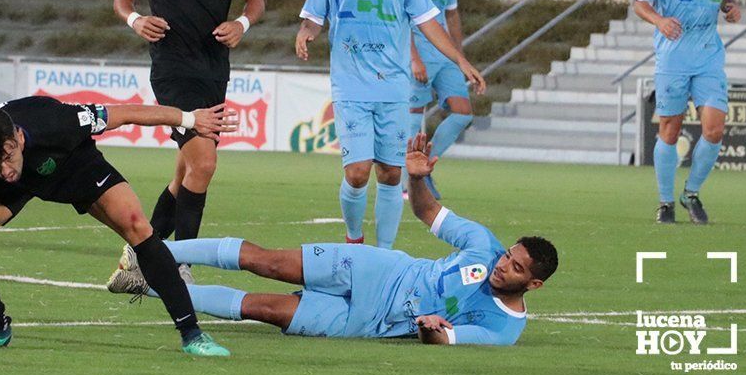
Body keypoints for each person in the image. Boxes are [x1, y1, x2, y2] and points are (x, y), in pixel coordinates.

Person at [107, 133, 558, 345]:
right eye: (509, 256)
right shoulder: (484, 246)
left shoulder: (503, 329)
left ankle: (144, 283)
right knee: (266, 261)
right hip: (379, 269)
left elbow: (446, 341)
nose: (503, 265)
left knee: (260, 308)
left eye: (516, 268)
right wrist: (417, 179)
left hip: (369, 322)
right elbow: (425, 211)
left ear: (534, 285)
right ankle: (149, 249)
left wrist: (431, 330)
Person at [0, 96, 237, 356]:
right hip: (17, 189)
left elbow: (126, 113)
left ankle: (191, 333)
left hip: (73, 167)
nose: (3, 168)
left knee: (137, 226)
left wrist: (190, 119)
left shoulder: (57, 121)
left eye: (6, 156)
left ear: (17, 136)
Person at [294, 0, 485, 249]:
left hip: (394, 90)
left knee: (391, 173)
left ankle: (383, 255)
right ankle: (354, 239)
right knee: (357, 172)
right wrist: (306, 33)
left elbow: (430, 24)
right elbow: (313, 20)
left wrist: (461, 60)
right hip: (351, 88)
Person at [113, 0, 265, 278]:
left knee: (185, 171)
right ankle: (181, 263)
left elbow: (256, 0)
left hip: (215, 69)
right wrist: (135, 19)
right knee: (204, 164)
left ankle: (141, 256)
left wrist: (241, 24)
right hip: (172, 70)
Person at [633, 0, 741, 225]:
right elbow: (640, 2)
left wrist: (730, 7)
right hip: (674, 56)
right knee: (670, 129)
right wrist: (659, 20)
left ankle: (690, 193)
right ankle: (665, 202)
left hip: (708, 54)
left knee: (714, 128)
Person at [404, 0, 474, 199]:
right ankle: (406, 181)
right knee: (412, 119)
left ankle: (425, 167)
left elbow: (452, 16)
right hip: (419, 55)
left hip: (444, 58)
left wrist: (460, 58)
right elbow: (402, 19)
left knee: (463, 113)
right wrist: (413, 58)